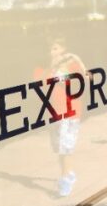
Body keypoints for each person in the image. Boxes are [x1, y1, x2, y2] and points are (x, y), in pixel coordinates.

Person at [37, 38, 87, 197]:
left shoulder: (73, 64)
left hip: (71, 112)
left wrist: (65, 74)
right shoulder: (44, 68)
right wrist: (51, 69)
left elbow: (82, 79)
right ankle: (69, 173)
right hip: (54, 112)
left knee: (66, 147)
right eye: (50, 49)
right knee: (59, 148)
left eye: (55, 48)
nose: (52, 52)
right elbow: (39, 84)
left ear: (64, 49)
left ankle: (65, 180)